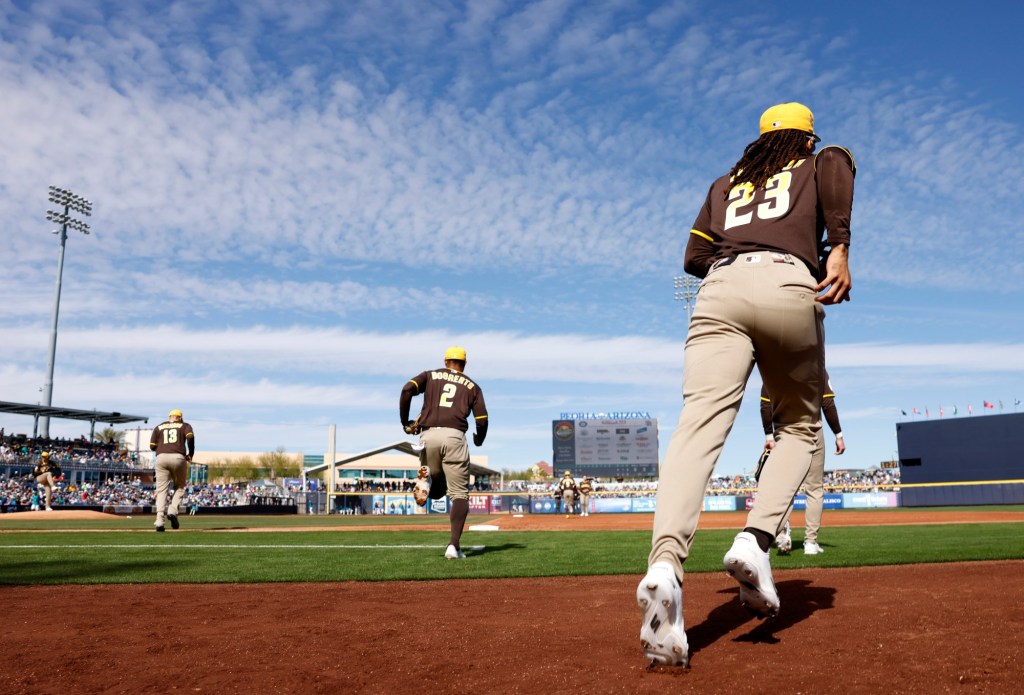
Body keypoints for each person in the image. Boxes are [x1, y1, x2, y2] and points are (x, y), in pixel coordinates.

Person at [637, 102, 855, 668]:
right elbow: (839, 162)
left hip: (719, 289)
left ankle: (664, 563)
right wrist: (839, 246)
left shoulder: (724, 182)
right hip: (788, 281)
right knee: (801, 427)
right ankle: (754, 541)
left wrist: (735, 262)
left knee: (697, 428)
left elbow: (693, 256)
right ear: (805, 139)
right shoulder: (816, 158)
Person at [399, 346, 488, 560]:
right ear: (464, 365)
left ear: (446, 361)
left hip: (428, 436)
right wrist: (479, 439)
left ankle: (426, 479)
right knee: (459, 494)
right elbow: (482, 419)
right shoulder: (472, 386)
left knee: (438, 490)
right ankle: (453, 546)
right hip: (455, 436)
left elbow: (406, 390)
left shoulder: (430, 375)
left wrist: (406, 422)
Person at [760, 369, 845, 555]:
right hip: (813, 429)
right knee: (814, 489)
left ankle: (782, 533)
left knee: (784, 489)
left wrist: (768, 435)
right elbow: (827, 403)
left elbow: (765, 406)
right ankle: (810, 543)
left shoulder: (773, 368)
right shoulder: (816, 367)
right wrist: (838, 434)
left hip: (785, 431)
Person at [149, 408, 195, 532]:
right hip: (178, 458)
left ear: (170, 417)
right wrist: (190, 454)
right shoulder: (185, 425)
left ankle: (159, 520)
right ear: (179, 417)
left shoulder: (159, 427)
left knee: (161, 490)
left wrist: (162, 449)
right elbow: (190, 438)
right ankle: (172, 511)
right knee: (179, 487)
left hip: (161, 458)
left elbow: (152, 446)